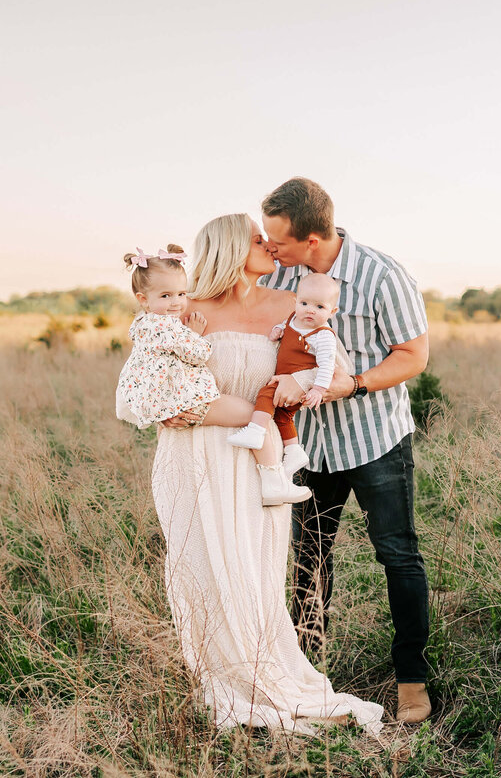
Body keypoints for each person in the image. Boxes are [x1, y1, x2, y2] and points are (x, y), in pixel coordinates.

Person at [116, 213, 385, 735]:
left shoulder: (294, 306)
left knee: (253, 573)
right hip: (189, 457)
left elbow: (338, 374)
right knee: (199, 571)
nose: (270, 245)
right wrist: (183, 408)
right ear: (230, 248)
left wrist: (298, 384)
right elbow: (134, 391)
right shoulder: (180, 310)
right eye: (257, 239)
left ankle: (262, 674)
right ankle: (216, 681)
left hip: (258, 459)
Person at [259, 177, 433, 724]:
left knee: (397, 553)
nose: (270, 249)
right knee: (309, 557)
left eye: (278, 241)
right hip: (307, 446)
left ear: (313, 241)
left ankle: (412, 679)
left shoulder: (382, 276)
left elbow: (413, 356)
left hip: (374, 437)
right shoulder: (281, 273)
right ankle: (305, 672)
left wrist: (352, 383)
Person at [116, 244, 309, 506]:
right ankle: (275, 477)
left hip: (183, 400)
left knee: (253, 416)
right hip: (191, 401)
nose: (176, 302)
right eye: (166, 296)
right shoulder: (164, 325)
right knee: (256, 415)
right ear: (143, 299)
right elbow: (198, 353)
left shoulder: (146, 324)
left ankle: (279, 471)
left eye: (180, 293)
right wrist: (194, 335)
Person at [225, 272, 345, 478]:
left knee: (265, 395)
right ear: (296, 301)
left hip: (295, 382)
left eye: (319, 307)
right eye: (304, 303)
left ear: (332, 311)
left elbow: (327, 365)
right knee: (283, 417)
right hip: (285, 377)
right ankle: (294, 451)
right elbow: (286, 325)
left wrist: (317, 389)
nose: (309, 311)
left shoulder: (323, 335)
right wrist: (278, 330)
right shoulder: (293, 318)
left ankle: (256, 431)